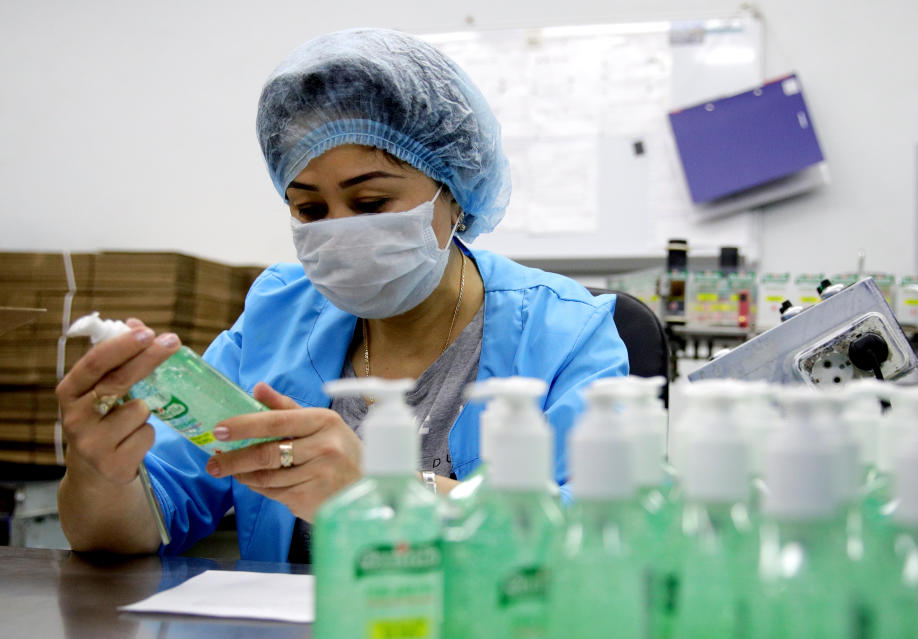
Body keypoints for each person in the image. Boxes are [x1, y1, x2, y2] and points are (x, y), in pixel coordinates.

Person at [55, 28, 629, 562]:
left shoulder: (565, 331)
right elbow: (143, 522)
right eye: (309, 209)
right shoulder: (277, 315)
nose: (339, 230)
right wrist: (100, 472)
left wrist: (382, 492)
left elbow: (606, 542)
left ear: (455, 194)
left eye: (372, 203)